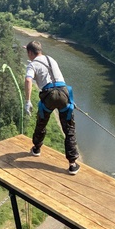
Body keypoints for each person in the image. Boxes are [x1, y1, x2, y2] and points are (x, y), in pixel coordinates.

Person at [24, 40, 80, 175]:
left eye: (28, 54)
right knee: (69, 129)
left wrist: (28, 101)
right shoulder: (51, 59)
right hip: (64, 93)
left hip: (48, 95)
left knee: (41, 123)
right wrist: (69, 101)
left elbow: (28, 80)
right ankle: (72, 164)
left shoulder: (32, 64)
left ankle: (36, 149)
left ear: (31, 53)